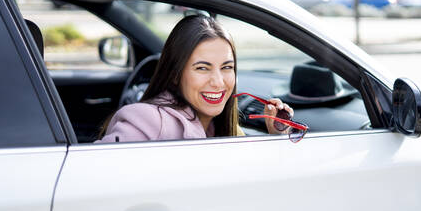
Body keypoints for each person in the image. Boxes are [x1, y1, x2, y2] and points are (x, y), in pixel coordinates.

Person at [96, 15, 293, 143]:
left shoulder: (224, 129)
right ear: (175, 74)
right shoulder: (148, 120)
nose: (218, 81)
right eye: (202, 68)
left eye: (227, 67)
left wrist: (276, 137)